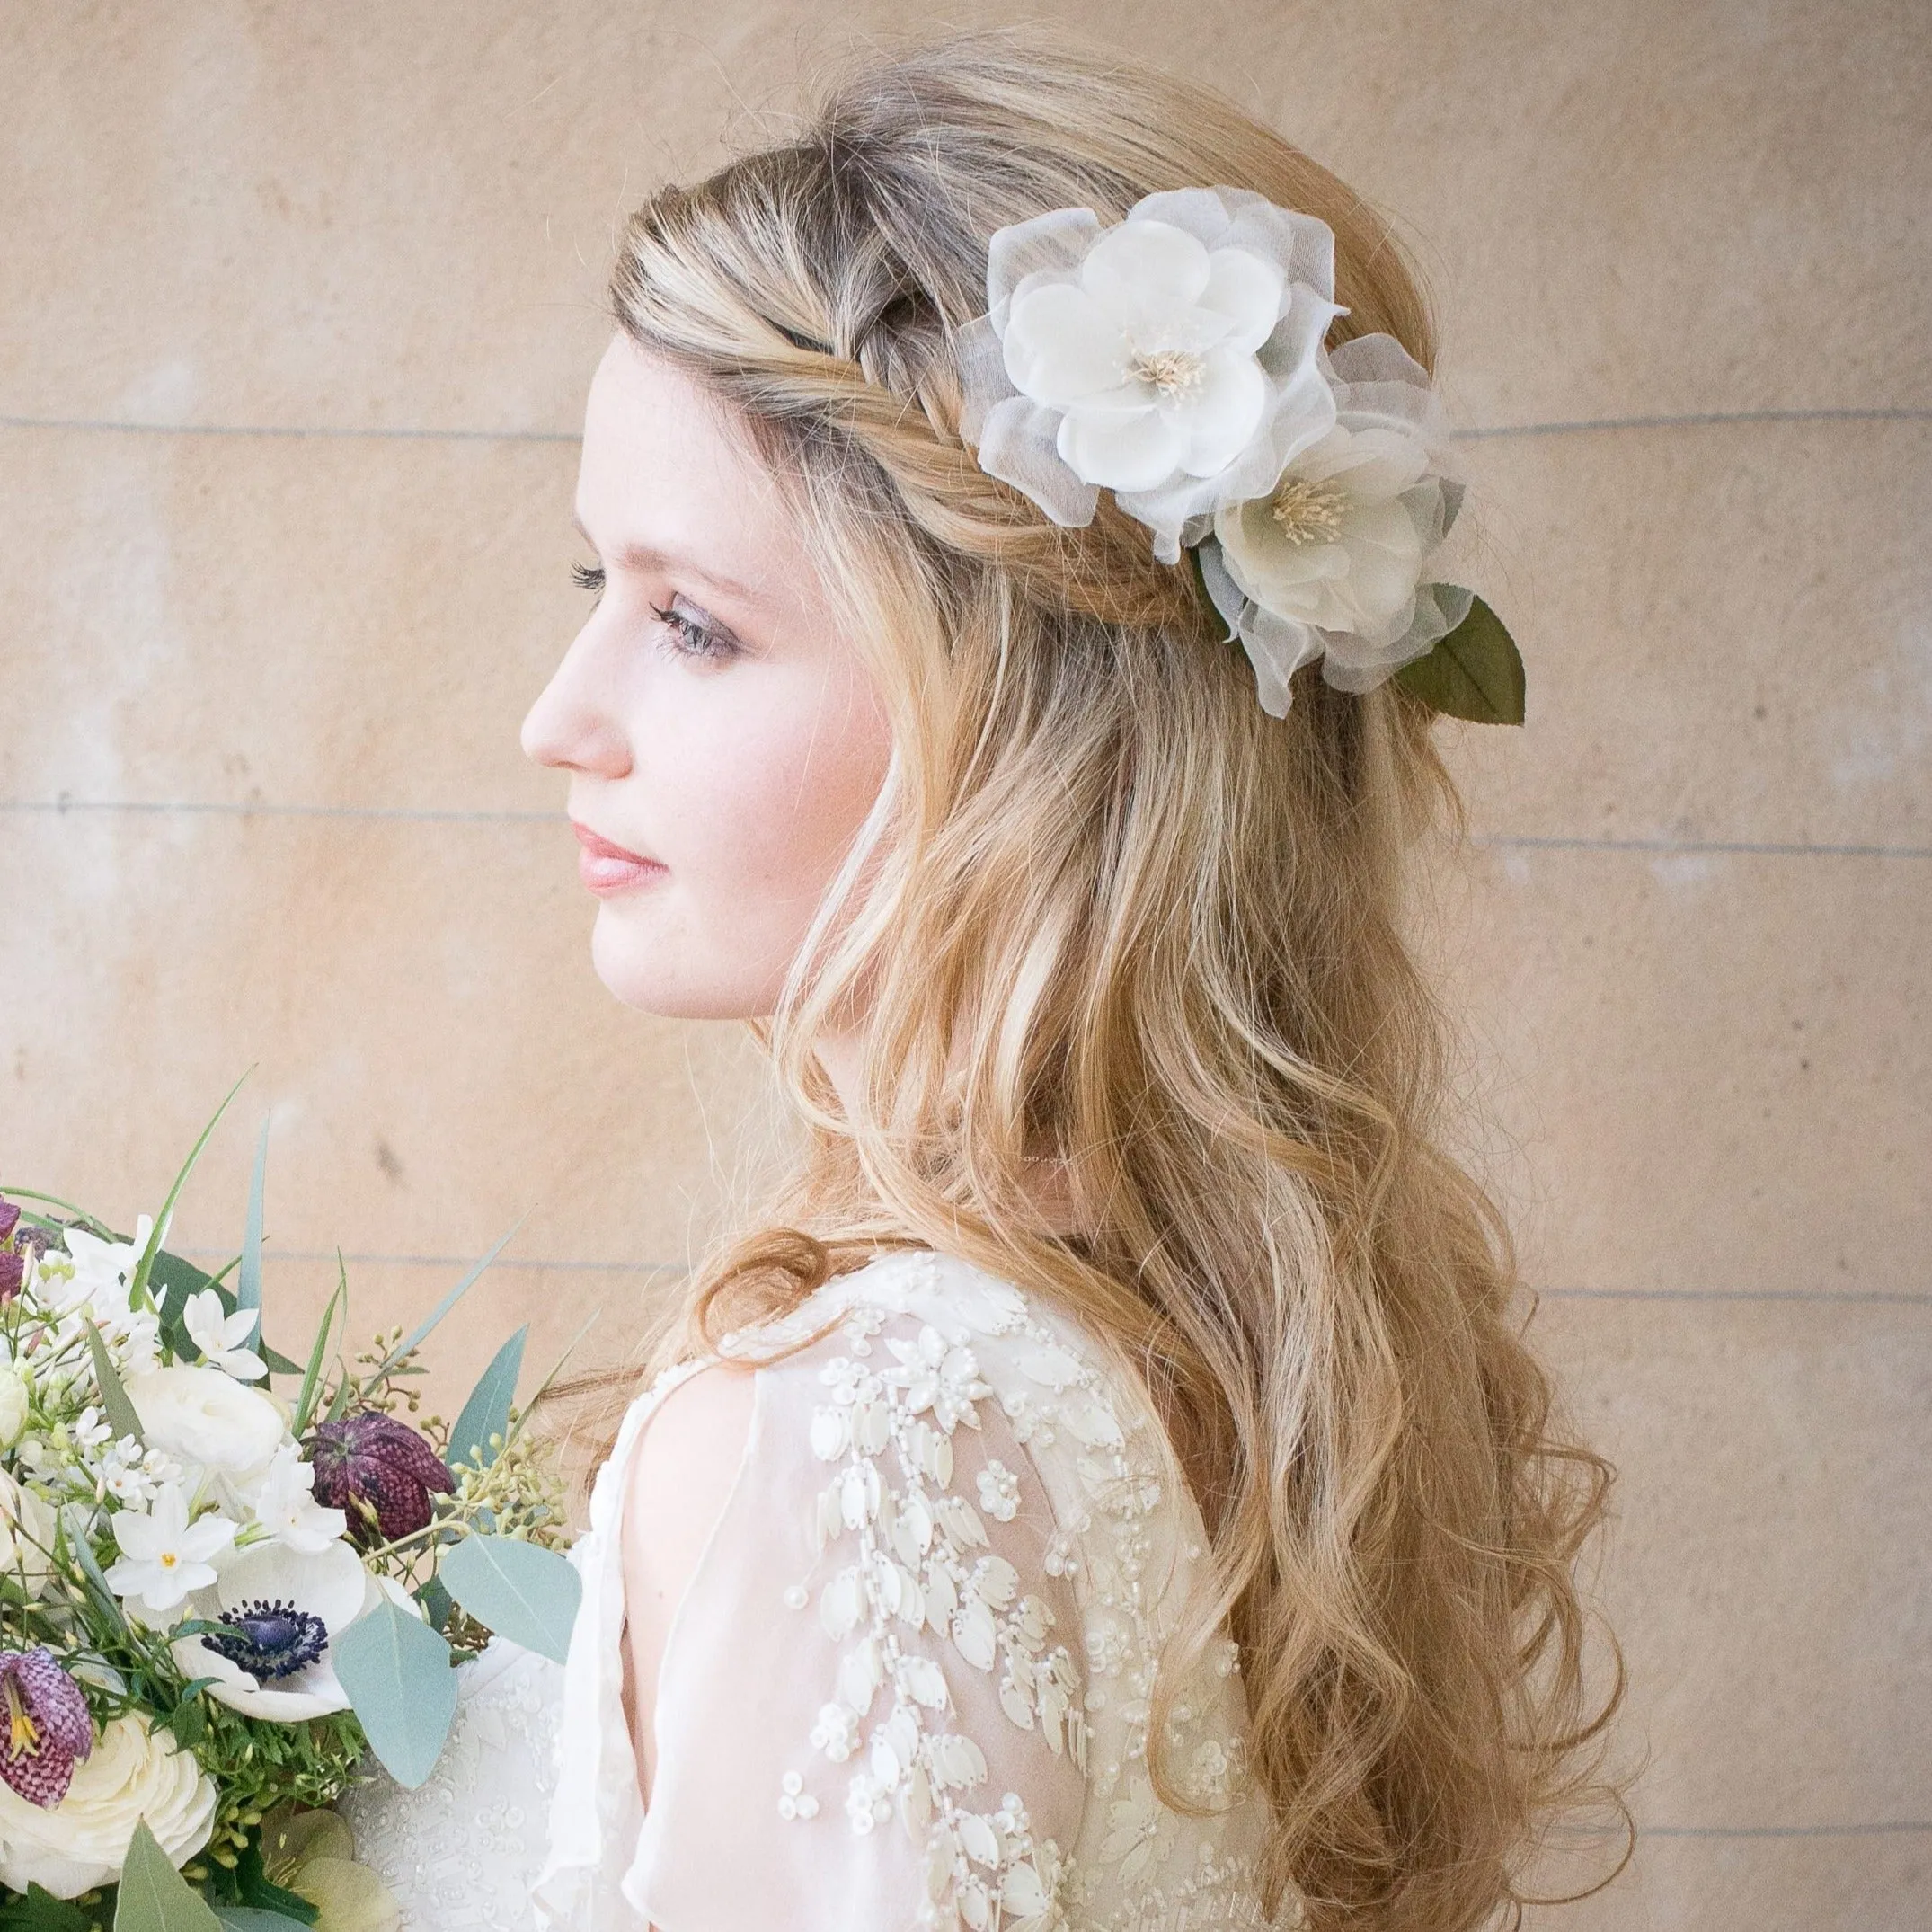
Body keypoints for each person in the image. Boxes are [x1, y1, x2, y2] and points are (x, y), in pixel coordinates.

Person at [343, 26, 1619, 1932]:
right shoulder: (1231, 1341)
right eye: (588, 587)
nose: (560, 720)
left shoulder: (846, 1428)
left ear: (1023, 722)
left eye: (693, 622)